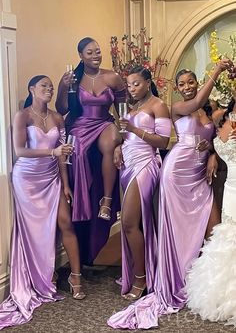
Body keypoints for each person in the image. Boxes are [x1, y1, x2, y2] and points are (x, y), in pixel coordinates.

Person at [108, 59, 233, 330]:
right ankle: (177, 279)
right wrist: (218, 70)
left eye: (191, 83)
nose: (187, 88)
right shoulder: (177, 108)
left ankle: (207, 286)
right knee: (177, 233)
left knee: (213, 230)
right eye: (182, 84)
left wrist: (211, 152)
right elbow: (170, 135)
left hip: (199, 175)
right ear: (176, 89)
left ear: (196, 83)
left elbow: (222, 134)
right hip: (175, 173)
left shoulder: (210, 110)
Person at [0, 75, 85, 331]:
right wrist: (53, 152)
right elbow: (20, 151)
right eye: (43, 86)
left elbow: (63, 155)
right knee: (34, 232)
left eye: (50, 86)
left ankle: (76, 277)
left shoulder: (58, 118)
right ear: (32, 89)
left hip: (52, 177)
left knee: (65, 222)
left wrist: (67, 183)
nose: (48, 90)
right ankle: (39, 276)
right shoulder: (22, 116)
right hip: (27, 179)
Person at [56, 37, 126, 265]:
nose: (96, 55)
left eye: (98, 51)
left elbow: (123, 111)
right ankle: (81, 208)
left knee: (109, 141)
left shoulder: (112, 77)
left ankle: (105, 200)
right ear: (80, 56)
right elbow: (62, 108)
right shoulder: (74, 79)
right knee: (75, 155)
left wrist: (123, 139)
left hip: (104, 123)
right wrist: (63, 86)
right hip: (80, 126)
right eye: (90, 52)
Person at [113, 66, 171, 300]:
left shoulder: (159, 105)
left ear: (148, 82)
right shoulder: (132, 106)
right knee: (133, 222)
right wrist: (118, 146)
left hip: (146, 165)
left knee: (128, 222)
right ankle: (140, 270)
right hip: (127, 165)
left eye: (136, 84)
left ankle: (141, 277)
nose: (132, 89)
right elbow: (125, 136)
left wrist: (134, 128)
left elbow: (164, 142)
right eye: (129, 85)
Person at [185, 92, 236, 327]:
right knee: (227, 238)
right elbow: (214, 140)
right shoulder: (220, 116)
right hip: (230, 189)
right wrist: (212, 153)